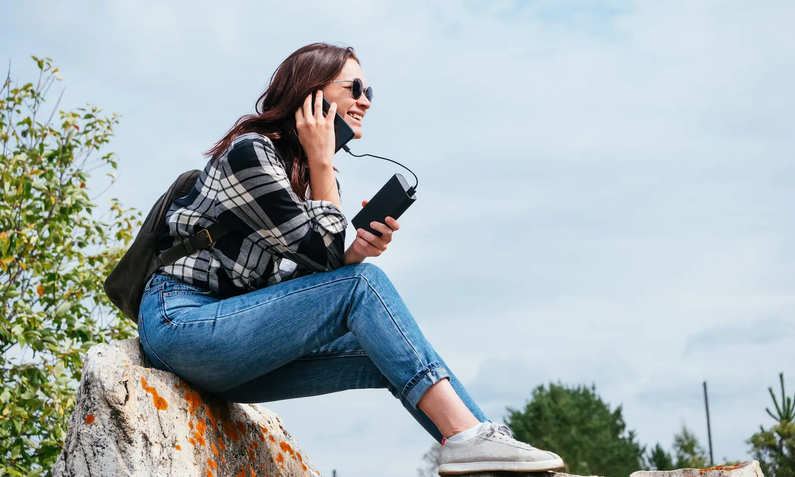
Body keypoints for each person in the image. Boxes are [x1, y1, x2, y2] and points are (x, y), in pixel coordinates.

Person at [137, 42, 564, 474]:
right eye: (354, 86)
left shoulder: (297, 176)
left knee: (383, 348)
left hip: (230, 342)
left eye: (369, 91)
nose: (365, 100)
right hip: (181, 323)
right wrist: (323, 167)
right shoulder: (251, 153)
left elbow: (299, 286)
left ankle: (483, 447)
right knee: (364, 284)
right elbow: (323, 259)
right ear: (311, 94)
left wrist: (351, 253)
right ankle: (471, 439)